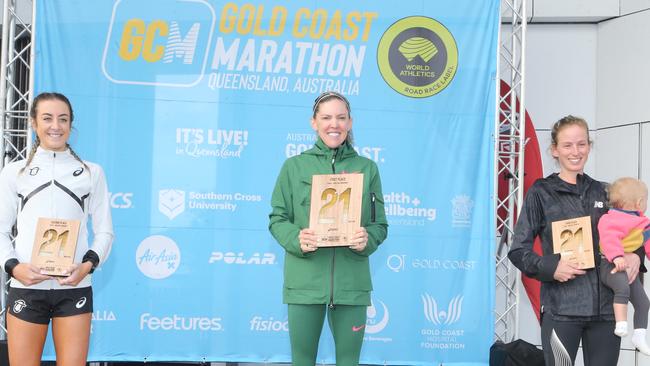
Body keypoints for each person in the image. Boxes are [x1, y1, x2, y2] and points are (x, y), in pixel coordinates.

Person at [508, 115, 642, 365]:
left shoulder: (606, 191)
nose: (575, 151)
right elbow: (518, 250)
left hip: (606, 312)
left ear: (589, 146)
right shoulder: (541, 191)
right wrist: (551, 267)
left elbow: (634, 232)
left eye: (581, 144)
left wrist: (636, 255)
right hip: (562, 311)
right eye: (567, 145)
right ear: (555, 150)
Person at [269, 91, 388, 366]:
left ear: (350, 122)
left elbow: (379, 224)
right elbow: (277, 218)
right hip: (304, 281)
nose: (333, 124)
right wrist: (296, 238)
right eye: (326, 117)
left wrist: (366, 239)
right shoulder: (294, 167)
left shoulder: (367, 168)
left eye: (340, 117)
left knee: (349, 362)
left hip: (352, 284)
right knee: (302, 361)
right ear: (314, 122)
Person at [0, 92, 114, 366]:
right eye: (47, 118)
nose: (55, 126)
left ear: (71, 125)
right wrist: (15, 268)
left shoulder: (91, 172)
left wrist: (86, 267)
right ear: (33, 123)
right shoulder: (14, 172)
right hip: (27, 288)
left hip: (74, 287)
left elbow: (105, 232)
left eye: (63, 119)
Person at [598, 177, 650, 354]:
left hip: (628, 267)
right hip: (609, 264)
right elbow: (608, 239)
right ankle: (621, 323)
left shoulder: (644, 223)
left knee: (643, 301)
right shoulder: (610, 219)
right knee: (622, 287)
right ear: (639, 202)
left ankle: (639, 335)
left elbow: (648, 241)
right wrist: (617, 256)